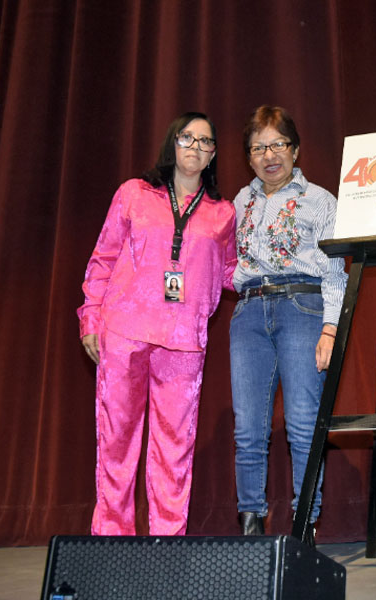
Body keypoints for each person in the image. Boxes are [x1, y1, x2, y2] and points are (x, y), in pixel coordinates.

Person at [78, 112, 237, 535]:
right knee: (117, 443)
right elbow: (104, 259)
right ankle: (113, 540)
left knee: (174, 448)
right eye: (188, 137)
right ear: (173, 142)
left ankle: (168, 545)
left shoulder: (223, 213)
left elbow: (232, 272)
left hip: (184, 341)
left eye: (206, 142)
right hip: (125, 332)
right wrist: (90, 316)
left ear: (213, 154)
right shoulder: (135, 193)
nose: (196, 147)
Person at [230, 105, 347, 536]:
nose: (268, 154)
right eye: (258, 147)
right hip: (248, 312)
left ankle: (303, 525)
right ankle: (251, 523)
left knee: (301, 422)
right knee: (248, 426)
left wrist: (331, 329)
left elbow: (336, 271)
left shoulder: (320, 200)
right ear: (249, 157)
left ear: (295, 150)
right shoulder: (240, 202)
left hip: (303, 307)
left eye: (278, 144)